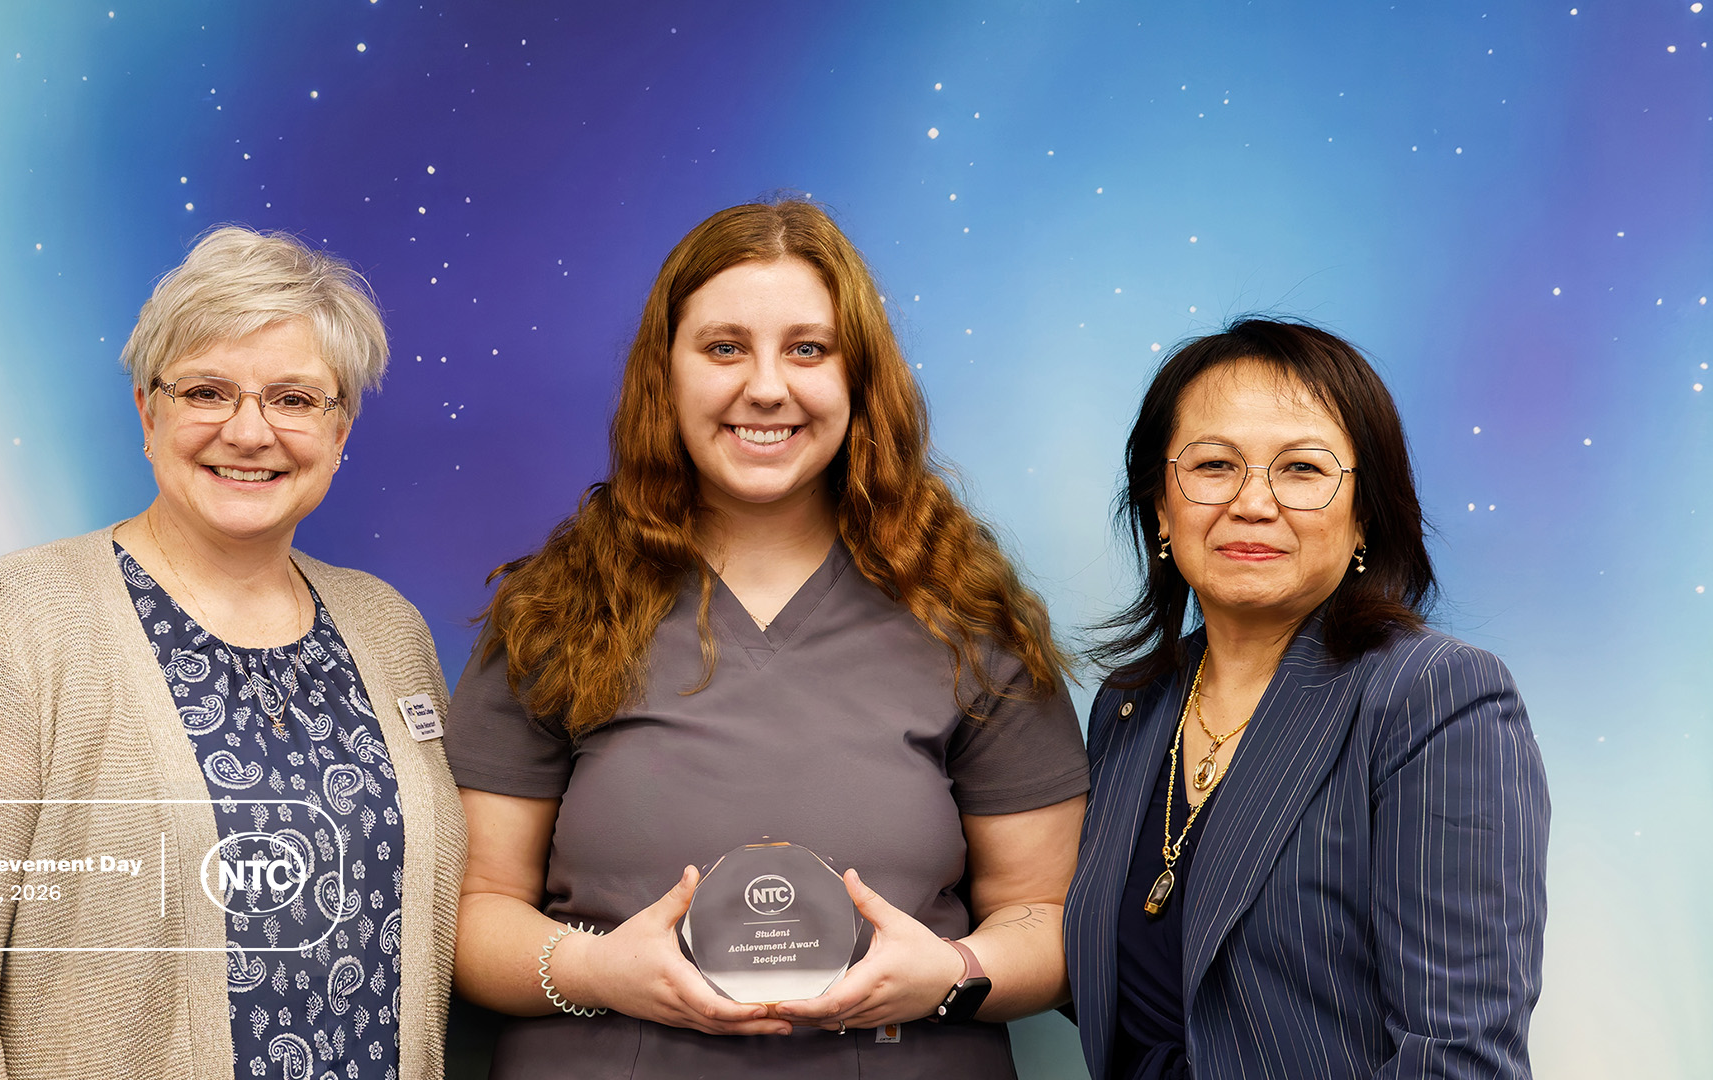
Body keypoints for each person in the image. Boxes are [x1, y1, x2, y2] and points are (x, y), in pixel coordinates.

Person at [443, 200, 1090, 1078]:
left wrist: (952, 975)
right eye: (724, 348)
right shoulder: (556, 609)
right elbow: (471, 913)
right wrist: (600, 971)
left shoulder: (966, 614)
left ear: (860, 378)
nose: (767, 387)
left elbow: (1048, 917)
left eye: (808, 349)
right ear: (662, 374)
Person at [0, 227, 466, 1080]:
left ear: (341, 431)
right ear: (149, 413)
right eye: (208, 392)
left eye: (295, 399)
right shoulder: (19, 619)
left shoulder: (388, 629)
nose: (250, 431)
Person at [1063, 319, 1550, 1079]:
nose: (1253, 503)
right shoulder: (1131, 706)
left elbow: (1459, 1059)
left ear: (1365, 515)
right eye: (1215, 465)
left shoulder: (1434, 698)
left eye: (1300, 469)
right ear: (1161, 506)